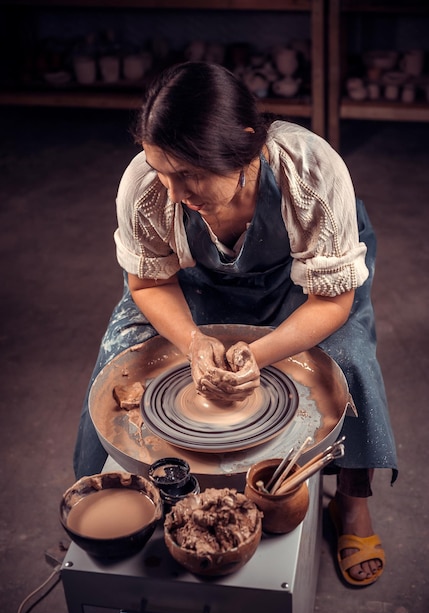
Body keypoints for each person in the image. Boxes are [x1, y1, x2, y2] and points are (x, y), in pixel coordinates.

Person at [73, 62, 397, 586]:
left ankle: (353, 505)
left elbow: (331, 301)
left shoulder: (310, 172)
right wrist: (194, 342)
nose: (174, 192)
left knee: (349, 356)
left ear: (244, 145)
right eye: (162, 169)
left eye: (190, 174)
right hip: (197, 285)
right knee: (122, 357)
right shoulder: (147, 187)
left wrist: (261, 354)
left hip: (306, 285)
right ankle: (115, 502)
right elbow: (149, 285)